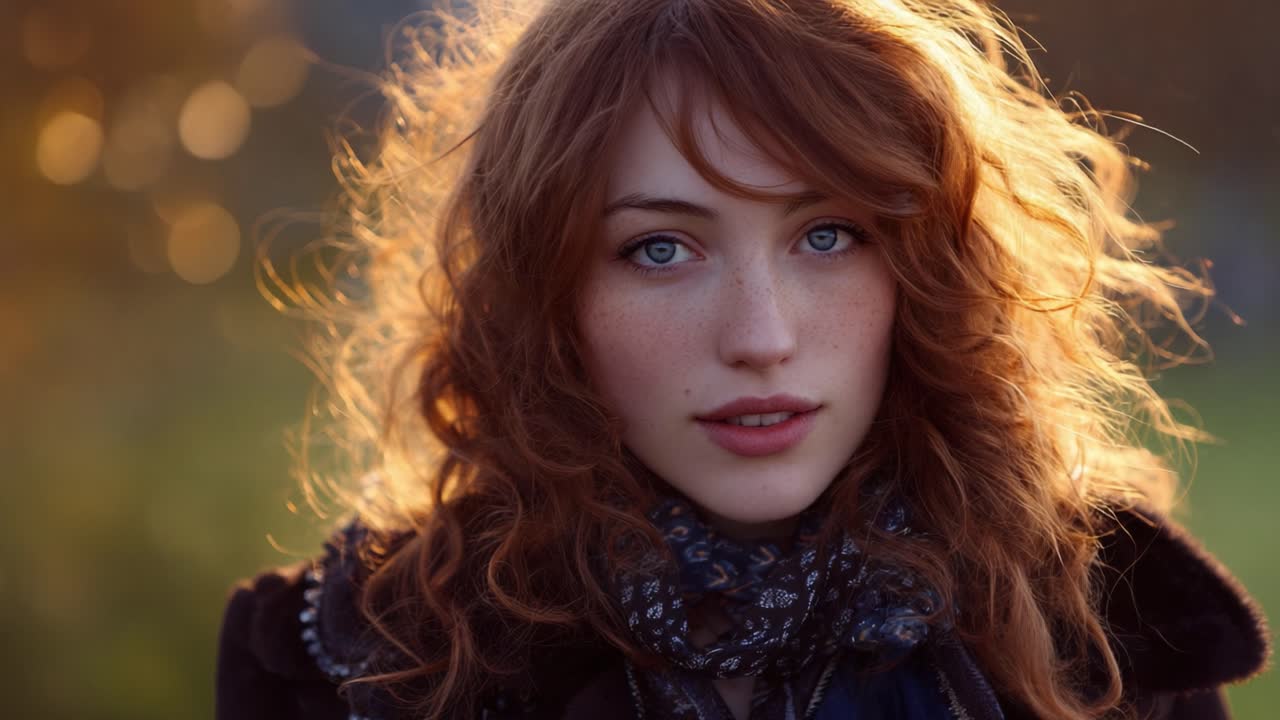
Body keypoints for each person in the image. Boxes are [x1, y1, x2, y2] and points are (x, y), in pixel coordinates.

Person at [216, 1, 1271, 718]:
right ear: (544, 299)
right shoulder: (353, 663)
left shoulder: (1113, 631)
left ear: (923, 264)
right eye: (659, 249)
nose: (760, 336)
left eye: (826, 235)